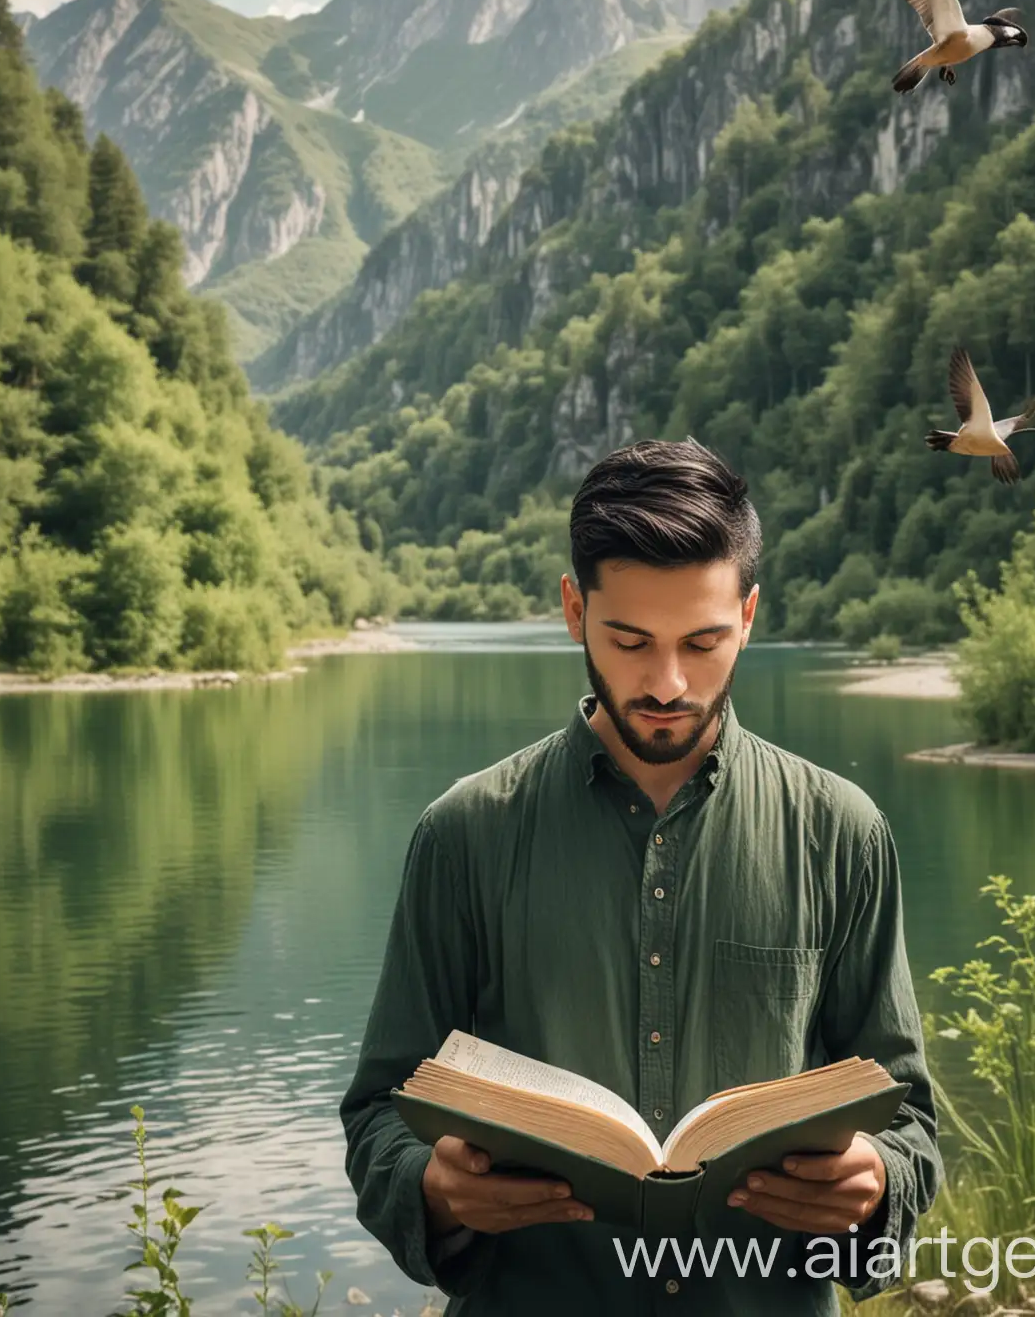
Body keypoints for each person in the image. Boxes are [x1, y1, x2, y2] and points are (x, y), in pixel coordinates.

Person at [339, 437, 943, 1314]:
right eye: (631, 640)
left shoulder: (840, 832)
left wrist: (879, 1180)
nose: (667, 683)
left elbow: (912, 1120)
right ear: (573, 610)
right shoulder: (464, 833)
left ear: (748, 616)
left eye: (702, 642)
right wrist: (429, 1187)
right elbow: (380, 1114)